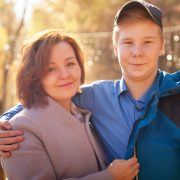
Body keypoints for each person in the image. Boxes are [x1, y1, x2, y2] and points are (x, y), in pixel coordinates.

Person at [1, 0, 180, 179]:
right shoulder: (94, 96)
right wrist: (4, 124)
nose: (137, 52)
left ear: (162, 45)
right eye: (128, 42)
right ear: (115, 47)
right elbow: (40, 101)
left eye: (147, 41)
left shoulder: (176, 98)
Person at [0, 30, 139, 180]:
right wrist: (109, 177)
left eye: (70, 63)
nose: (65, 74)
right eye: (51, 69)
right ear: (34, 76)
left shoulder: (83, 113)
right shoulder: (18, 131)